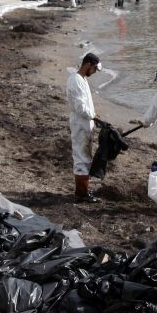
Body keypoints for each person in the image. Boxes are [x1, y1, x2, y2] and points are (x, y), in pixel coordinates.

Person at [66, 52, 101, 202]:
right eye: (94, 68)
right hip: (81, 122)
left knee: (86, 157)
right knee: (81, 157)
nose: (94, 72)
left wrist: (93, 116)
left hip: (85, 122)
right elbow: (80, 107)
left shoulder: (82, 79)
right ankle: (81, 193)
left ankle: (84, 190)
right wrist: (93, 116)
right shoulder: (76, 80)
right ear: (88, 64)